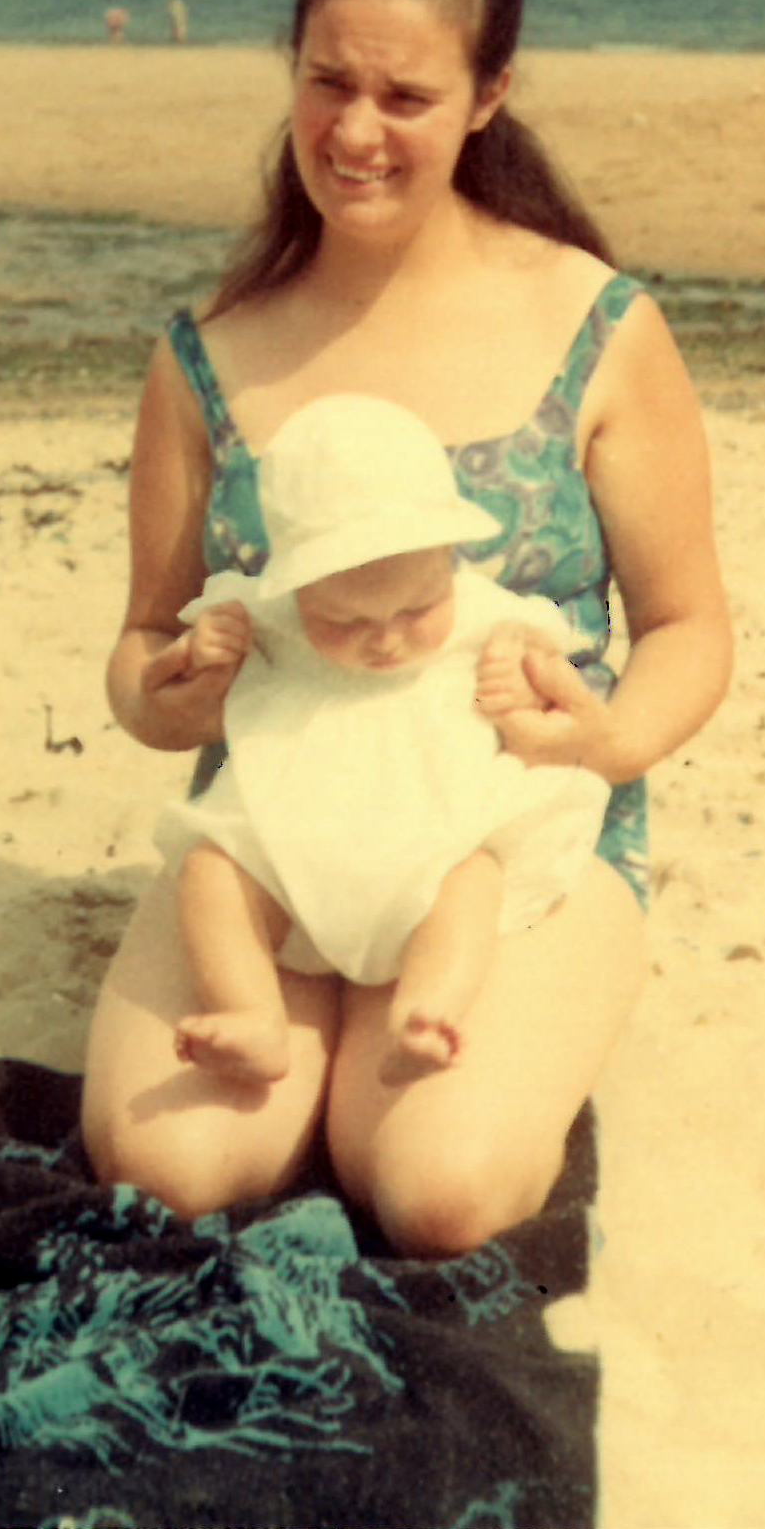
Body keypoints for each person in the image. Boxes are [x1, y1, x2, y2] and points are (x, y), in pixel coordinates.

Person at [80, 0, 733, 1259]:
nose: (354, 132)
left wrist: (608, 738)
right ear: (290, 67)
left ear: (489, 95)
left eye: (404, 93)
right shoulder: (207, 355)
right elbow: (140, 643)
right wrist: (169, 697)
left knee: (431, 1186)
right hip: (275, 826)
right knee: (177, 1169)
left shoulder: (596, 326)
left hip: (507, 837)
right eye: (327, 81)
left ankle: (418, 1048)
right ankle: (311, 1038)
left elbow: (687, 625)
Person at [150, 391, 610, 1090]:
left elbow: (554, 660)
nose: (387, 638)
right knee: (212, 873)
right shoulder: (264, 619)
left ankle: (427, 1012)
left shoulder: (487, 616)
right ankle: (251, 1015)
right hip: (290, 841)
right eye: (343, 620)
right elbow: (170, 672)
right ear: (297, 587)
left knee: (474, 880)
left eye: (417, 609)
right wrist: (203, 653)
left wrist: (521, 673)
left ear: (447, 556)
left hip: (434, 834)